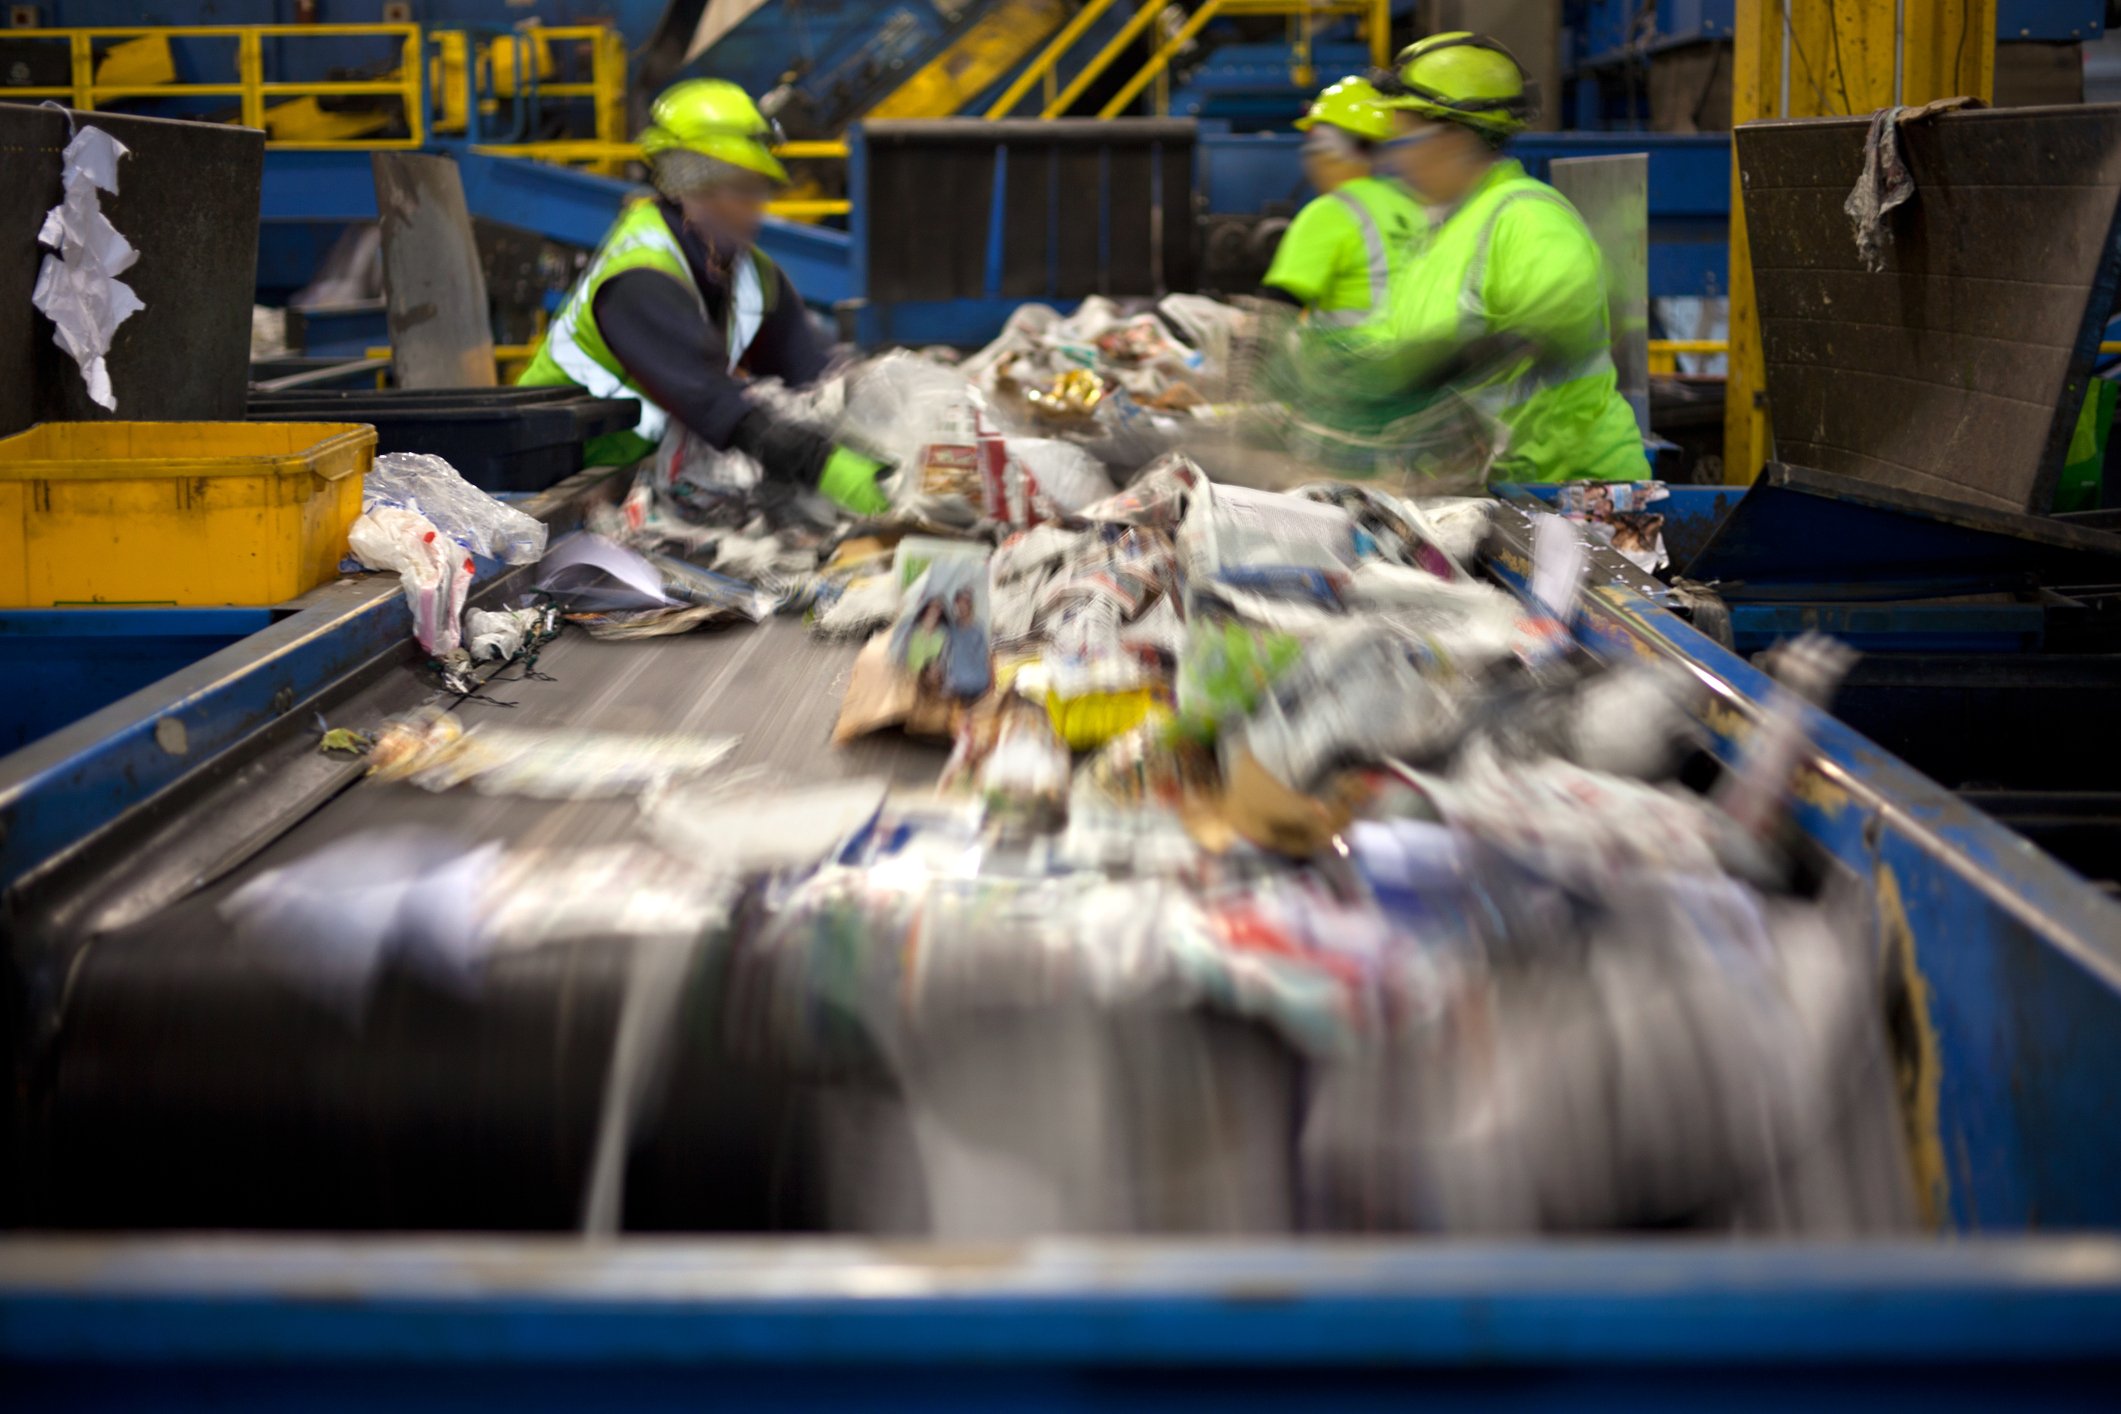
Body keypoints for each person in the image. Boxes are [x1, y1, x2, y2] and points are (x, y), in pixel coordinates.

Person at [518, 79, 890, 513]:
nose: (758, 205)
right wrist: (827, 467)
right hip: (553, 493)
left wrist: (886, 416)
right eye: (744, 188)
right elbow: (717, 404)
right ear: (694, 187)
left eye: (760, 189)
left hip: (638, 487)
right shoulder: (641, 277)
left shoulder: (747, 272)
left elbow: (813, 370)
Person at [1371, 34, 1649, 483]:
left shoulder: (1527, 215)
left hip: (1573, 501)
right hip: (1492, 493)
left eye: (1403, 137)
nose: (1395, 157)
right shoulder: (1441, 232)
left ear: (1452, 136)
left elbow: (1562, 322)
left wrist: (1456, 365)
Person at [1259, 76, 1423, 326]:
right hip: (1420, 359)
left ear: (1327, 151)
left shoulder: (1331, 213)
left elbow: (1277, 313)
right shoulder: (1412, 206)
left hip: (1348, 361)